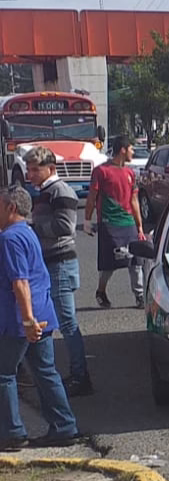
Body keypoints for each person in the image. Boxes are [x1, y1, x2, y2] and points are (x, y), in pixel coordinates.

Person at [0, 186, 79, 451]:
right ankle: (64, 426)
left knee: (4, 374)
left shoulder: (9, 238)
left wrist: (27, 320)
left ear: (11, 208)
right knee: (45, 372)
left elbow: (19, 282)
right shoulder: (27, 232)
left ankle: (12, 432)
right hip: (41, 313)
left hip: (20, 319)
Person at [24, 147, 92, 397]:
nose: (30, 174)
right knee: (56, 320)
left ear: (50, 169)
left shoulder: (60, 191)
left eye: (35, 169)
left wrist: (32, 229)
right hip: (51, 263)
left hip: (60, 263)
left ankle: (81, 377)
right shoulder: (44, 192)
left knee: (67, 323)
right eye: (29, 169)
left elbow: (65, 227)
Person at [82, 135, 146, 309]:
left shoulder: (130, 173)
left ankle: (139, 296)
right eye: (131, 148)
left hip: (128, 223)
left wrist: (139, 226)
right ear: (123, 150)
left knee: (136, 261)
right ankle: (101, 291)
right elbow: (92, 197)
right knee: (111, 261)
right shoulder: (101, 171)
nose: (133, 152)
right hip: (109, 223)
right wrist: (87, 220)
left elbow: (134, 201)